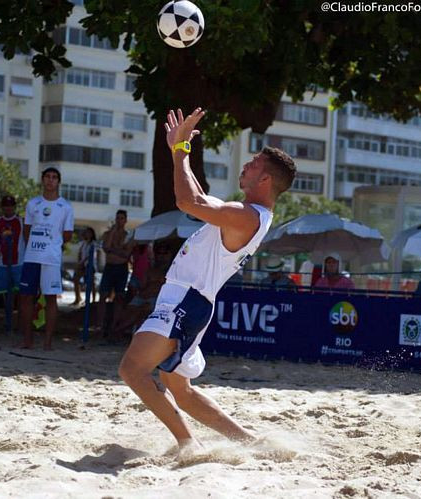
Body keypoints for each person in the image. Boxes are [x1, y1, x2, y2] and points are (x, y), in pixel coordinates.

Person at [118, 107, 296, 453]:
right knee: (179, 389)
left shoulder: (247, 217)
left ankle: (189, 444)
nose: (246, 166)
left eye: (254, 164)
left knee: (132, 369)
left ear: (266, 180)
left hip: (186, 300)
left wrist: (182, 150)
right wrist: (176, 150)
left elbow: (188, 199)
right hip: (192, 300)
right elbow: (196, 201)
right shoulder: (248, 215)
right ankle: (250, 443)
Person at [18, 167, 74, 350]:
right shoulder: (33, 203)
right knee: (26, 297)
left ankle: (47, 342)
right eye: (47, 177)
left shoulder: (65, 207)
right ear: (42, 180)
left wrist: (51, 244)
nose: (51, 180)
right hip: (32, 256)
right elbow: (26, 230)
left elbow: (67, 235)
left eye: (54, 177)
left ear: (58, 182)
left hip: (51, 259)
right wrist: (36, 244)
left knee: (51, 298)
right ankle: (27, 340)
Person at [0, 195, 25, 326]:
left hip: (19, 262)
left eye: (10, 206)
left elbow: (28, 237)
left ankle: (19, 322)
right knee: (1, 292)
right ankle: (2, 321)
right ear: (2, 207)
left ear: (14, 207)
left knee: (20, 293)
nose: (8, 208)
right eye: (5, 206)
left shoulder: (21, 220)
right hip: (2, 262)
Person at [97, 210, 132, 338]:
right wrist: (113, 233)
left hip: (121, 268)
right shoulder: (108, 234)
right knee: (103, 296)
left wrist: (114, 250)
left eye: (122, 218)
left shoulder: (128, 235)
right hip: (109, 267)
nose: (119, 221)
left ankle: (114, 326)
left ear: (125, 220)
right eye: (117, 218)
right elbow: (106, 248)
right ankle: (100, 325)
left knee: (119, 297)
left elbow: (126, 254)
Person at [72, 227, 99, 306]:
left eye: (89, 232)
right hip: (82, 265)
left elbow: (91, 255)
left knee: (91, 283)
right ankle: (78, 298)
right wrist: (79, 262)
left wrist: (82, 262)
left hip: (90, 265)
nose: (87, 234)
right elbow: (80, 253)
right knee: (76, 279)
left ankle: (93, 300)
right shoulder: (83, 243)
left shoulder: (93, 243)